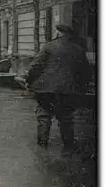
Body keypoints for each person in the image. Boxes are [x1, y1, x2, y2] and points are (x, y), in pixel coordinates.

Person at [25, 24, 92, 155]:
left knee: (44, 115)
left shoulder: (49, 46)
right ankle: (68, 148)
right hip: (68, 90)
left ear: (58, 33)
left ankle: (42, 147)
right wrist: (81, 89)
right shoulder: (79, 50)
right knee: (66, 118)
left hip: (45, 90)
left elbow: (35, 67)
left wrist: (29, 82)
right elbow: (85, 73)